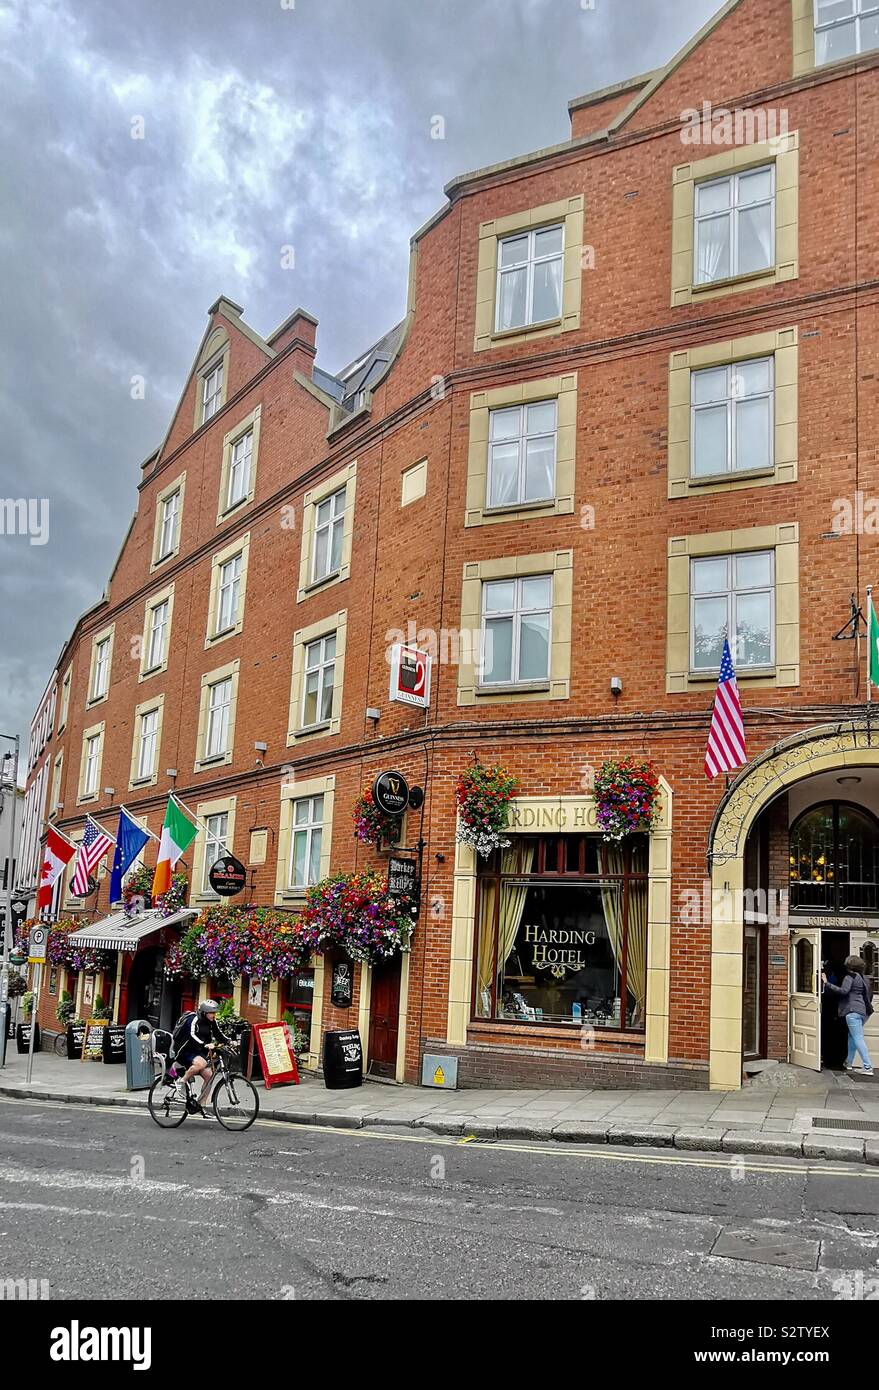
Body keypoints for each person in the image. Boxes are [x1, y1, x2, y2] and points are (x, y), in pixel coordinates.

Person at [822, 956, 874, 1077]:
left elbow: (843, 991)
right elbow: (869, 995)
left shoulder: (849, 977)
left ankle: (867, 1066)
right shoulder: (865, 978)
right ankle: (848, 1063)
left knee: (858, 1038)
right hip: (864, 1012)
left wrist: (827, 983)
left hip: (852, 1011)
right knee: (852, 1037)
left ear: (848, 965)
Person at [171, 1000, 230, 1105]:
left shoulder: (212, 1021)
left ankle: (201, 1105)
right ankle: (182, 1081)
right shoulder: (193, 1020)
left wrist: (229, 1041)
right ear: (204, 1013)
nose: (214, 1015)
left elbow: (218, 1033)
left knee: (209, 1075)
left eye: (215, 1013)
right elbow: (192, 1035)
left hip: (198, 1051)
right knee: (201, 1064)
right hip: (185, 1050)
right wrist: (204, 1045)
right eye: (211, 1013)